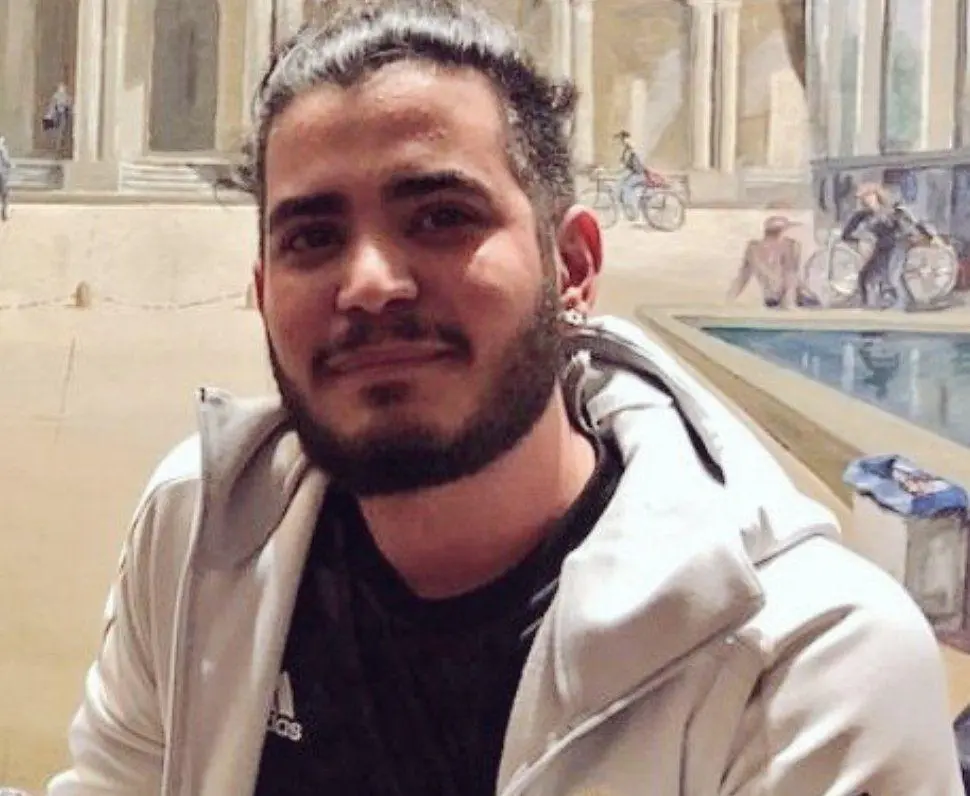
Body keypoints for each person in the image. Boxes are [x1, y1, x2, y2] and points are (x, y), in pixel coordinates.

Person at [47, 2, 962, 794]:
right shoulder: (195, 536)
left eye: (441, 217)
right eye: (312, 238)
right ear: (261, 291)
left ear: (573, 266)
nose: (369, 284)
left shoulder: (806, 662)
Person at [841, 182, 937, 311]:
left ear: (877, 195)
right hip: (881, 247)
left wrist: (925, 236)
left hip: (898, 244)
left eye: (869, 195)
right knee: (866, 276)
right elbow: (846, 234)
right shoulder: (861, 216)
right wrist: (861, 238)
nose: (867, 200)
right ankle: (871, 304)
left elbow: (910, 225)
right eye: (863, 197)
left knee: (894, 276)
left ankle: (906, 303)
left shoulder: (892, 210)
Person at [728, 215, 804, 308]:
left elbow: (790, 276)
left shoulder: (754, 249)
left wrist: (729, 299)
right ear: (780, 232)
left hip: (787, 299)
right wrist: (728, 300)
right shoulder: (786, 246)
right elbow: (742, 277)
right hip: (779, 300)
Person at [0, 135, 11, 222]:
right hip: (1, 174)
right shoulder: (3, 150)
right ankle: (4, 213)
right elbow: (7, 161)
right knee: (4, 194)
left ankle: (5, 213)